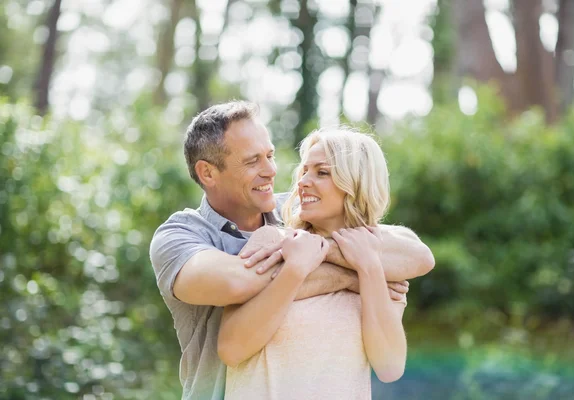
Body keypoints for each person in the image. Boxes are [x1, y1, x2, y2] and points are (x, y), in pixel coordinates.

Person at [149, 101, 435, 400]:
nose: (278, 173)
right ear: (208, 173)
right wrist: (344, 276)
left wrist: (361, 265)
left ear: (356, 184)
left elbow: (419, 257)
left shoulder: (348, 247)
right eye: (252, 161)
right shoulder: (189, 235)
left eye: (270, 156)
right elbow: (238, 289)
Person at [220, 127, 413, 399]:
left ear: (356, 183)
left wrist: (368, 269)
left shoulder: (381, 264)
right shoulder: (272, 242)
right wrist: (296, 270)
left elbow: (389, 367)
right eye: (304, 171)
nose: (303, 182)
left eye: (321, 172)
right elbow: (231, 349)